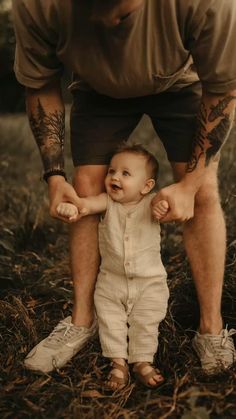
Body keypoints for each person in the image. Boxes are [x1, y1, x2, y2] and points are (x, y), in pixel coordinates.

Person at [12, 0, 236, 374]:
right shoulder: (36, 4)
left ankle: (211, 328)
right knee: (85, 187)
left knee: (203, 192)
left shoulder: (208, 3)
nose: (107, 21)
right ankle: (82, 320)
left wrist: (190, 183)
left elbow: (223, 90)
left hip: (181, 80)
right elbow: (40, 83)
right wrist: (54, 175)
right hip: (96, 88)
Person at [57, 144, 169, 389]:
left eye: (125, 174)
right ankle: (117, 362)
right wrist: (73, 207)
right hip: (111, 282)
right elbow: (86, 205)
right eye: (111, 171)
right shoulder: (107, 203)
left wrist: (164, 208)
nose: (114, 177)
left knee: (146, 320)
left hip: (149, 282)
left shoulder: (151, 203)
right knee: (110, 320)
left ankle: (142, 360)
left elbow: (165, 207)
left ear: (146, 186)